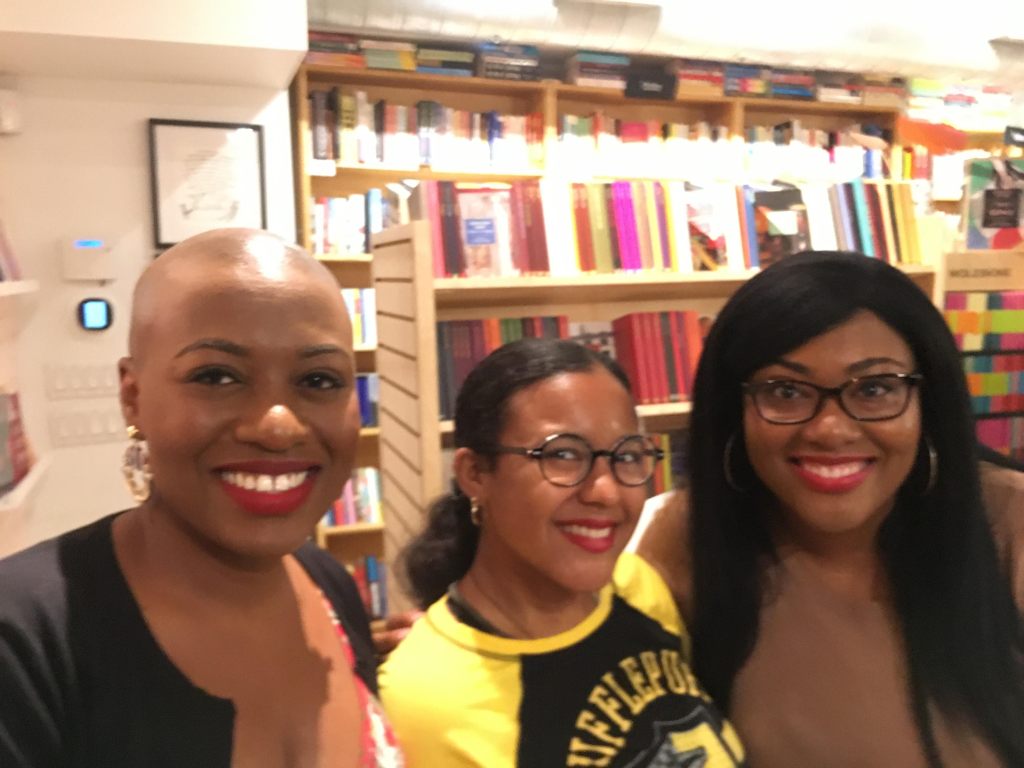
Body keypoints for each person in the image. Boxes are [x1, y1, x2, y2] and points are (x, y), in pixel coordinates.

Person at [0, 229, 403, 767]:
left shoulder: (328, 583)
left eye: (319, 380)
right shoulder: (24, 642)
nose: (277, 426)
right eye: (217, 376)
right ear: (133, 397)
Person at [636, 251, 1024, 767]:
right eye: (786, 391)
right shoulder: (688, 540)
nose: (831, 429)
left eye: (875, 388)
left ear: (927, 403)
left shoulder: (1008, 520)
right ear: (735, 410)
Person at [379, 338, 746, 767]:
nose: (606, 491)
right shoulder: (421, 700)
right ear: (475, 473)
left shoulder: (640, 588)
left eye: (627, 455)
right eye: (563, 454)